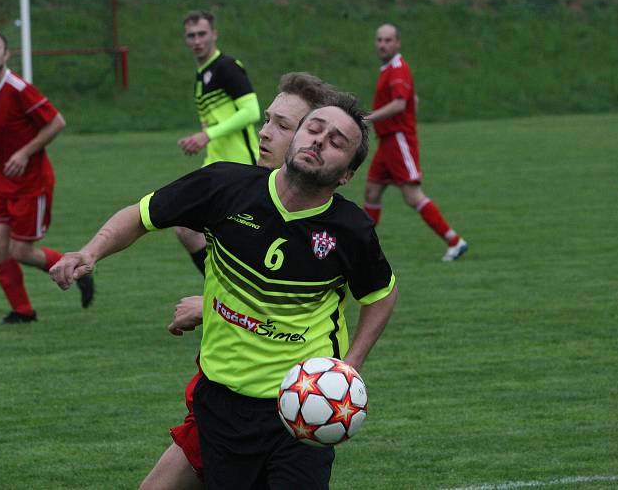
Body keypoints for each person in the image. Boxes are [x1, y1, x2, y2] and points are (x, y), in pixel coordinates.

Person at [50, 93, 398, 489]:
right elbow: (142, 215)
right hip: (221, 403)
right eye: (314, 129)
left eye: (337, 142)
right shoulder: (224, 185)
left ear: (346, 176)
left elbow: (381, 295)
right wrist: (91, 251)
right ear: (297, 137)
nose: (319, 141)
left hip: (302, 405)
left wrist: (349, 366)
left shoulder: (350, 231)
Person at [140, 72, 340, 490]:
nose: (264, 132)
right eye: (268, 120)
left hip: (281, 402)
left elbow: (283, 300)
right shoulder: (243, 190)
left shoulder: (333, 224)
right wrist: (210, 304)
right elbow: (247, 279)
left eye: (282, 125)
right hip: (223, 398)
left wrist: (209, 306)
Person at [0, 31, 93, 324]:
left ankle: (75, 268)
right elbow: (4, 130)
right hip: (4, 179)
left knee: (19, 251)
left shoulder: (18, 87)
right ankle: (22, 311)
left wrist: (23, 153)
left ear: (7, 54)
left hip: (32, 182)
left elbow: (57, 122)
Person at [362, 23, 468, 261]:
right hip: (387, 141)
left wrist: (368, 118)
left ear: (398, 43)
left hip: (397, 140)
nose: (382, 44)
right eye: (379, 40)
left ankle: (454, 241)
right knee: (372, 192)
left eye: (388, 40)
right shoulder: (389, 69)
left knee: (412, 195)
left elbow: (400, 103)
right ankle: (361, 248)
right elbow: (413, 100)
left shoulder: (398, 69)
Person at [175, 10, 261, 275]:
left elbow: (252, 112)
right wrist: (206, 134)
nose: (197, 40)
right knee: (186, 227)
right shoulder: (202, 76)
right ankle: (221, 285)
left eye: (202, 34)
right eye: (191, 36)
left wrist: (206, 135)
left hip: (242, 166)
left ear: (214, 34)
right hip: (216, 163)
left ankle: (233, 288)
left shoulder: (226, 67)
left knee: (238, 239)